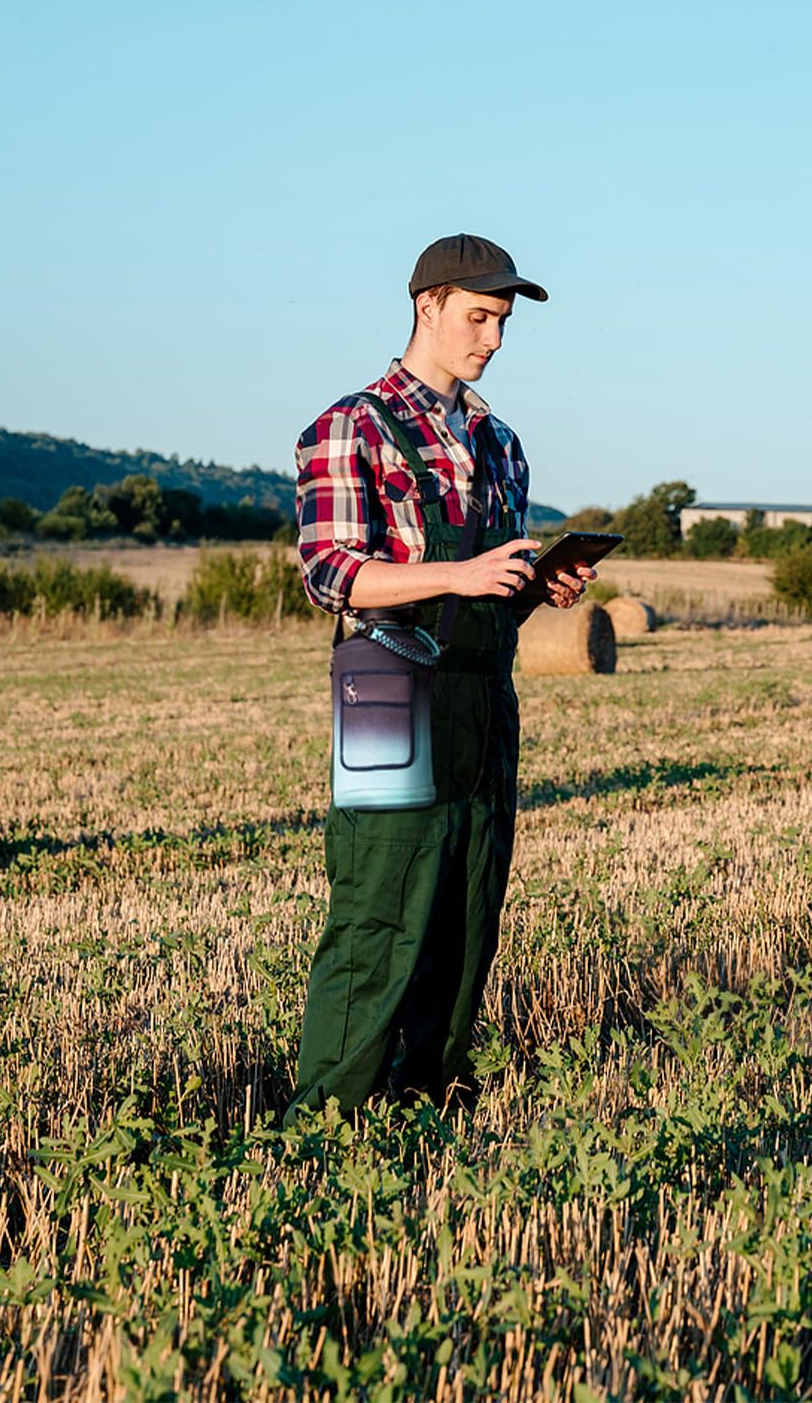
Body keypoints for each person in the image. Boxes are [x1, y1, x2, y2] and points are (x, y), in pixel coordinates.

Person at [287, 233, 594, 1118]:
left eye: (501, 322)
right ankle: (326, 1123)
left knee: (467, 915)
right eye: (480, 317)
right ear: (427, 306)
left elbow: (484, 592)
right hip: (387, 692)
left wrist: (533, 589)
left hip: (483, 696)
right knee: (379, 915)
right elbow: (331, 574)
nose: (493, 338)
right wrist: (459, 573)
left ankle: (426, 1110)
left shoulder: (500, 442)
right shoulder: (354, 427)